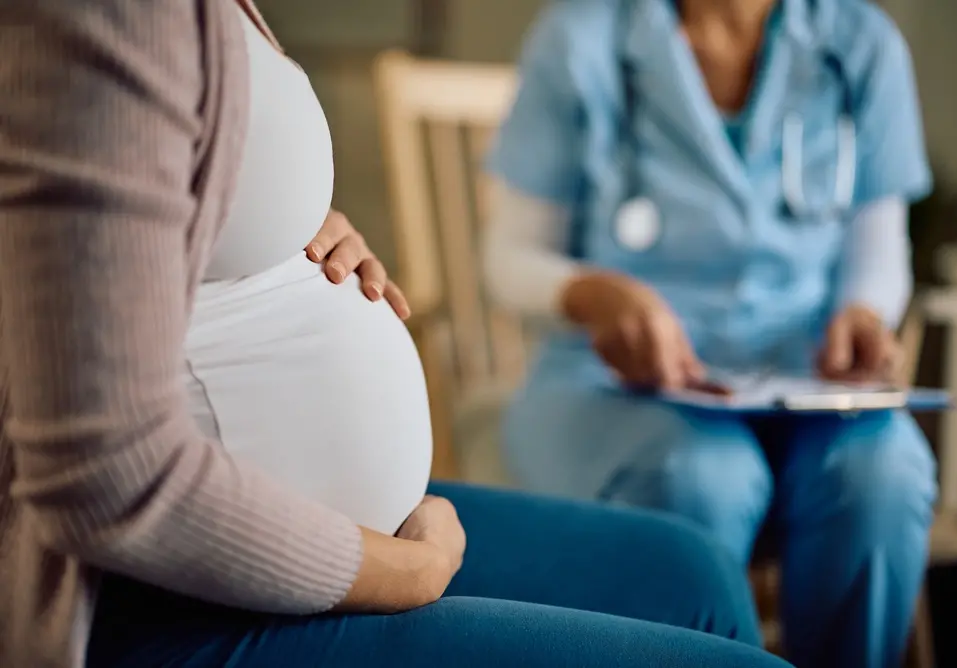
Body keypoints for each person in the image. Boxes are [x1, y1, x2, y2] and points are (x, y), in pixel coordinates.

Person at [0, 2, 795, 667]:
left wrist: (286, 223)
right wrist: (405, 571)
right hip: (155, 591)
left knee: (694, 575)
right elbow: (105, 478)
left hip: (315, 534)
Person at [483, 0, 938, 666]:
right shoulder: (582, 38)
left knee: (885, 473)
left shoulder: (861, 45)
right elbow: (508, 259)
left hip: (803, 381)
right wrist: (589, 293)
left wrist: (865, 312)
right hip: (608, 382)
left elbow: (879, 250)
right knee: (704, 476)